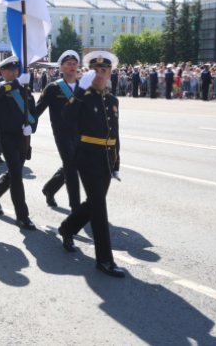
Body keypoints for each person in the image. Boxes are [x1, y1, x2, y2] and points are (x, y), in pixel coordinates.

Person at [58, 51, 125, 278]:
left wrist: (116, 161)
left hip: (106, 158)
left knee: (94, 202)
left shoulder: (112, 100)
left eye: (104, 71)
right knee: (99, 208)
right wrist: (78, 92)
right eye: (95, 71)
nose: (99, 75)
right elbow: (66, 119)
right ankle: (105, 260)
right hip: (86, 156)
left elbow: (115, 133)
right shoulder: (83, 96)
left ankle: (68, 228)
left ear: (109, 74)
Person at [0, 56, 38, 230]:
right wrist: (16, 84)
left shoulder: (25, 90)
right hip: (7, 137)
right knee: (16, 175)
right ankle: (22, 216)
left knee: (14, 172)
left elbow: (32, 110)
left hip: (23, 137)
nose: (14, 72)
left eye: (16, 69)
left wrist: (32, 126)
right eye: (10, 70)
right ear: (2, 72)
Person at [33, 50, 81, 211]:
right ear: (61, 67)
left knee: (73, 166)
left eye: (74, 64)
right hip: (62, 133)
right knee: (71, 166)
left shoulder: (83, 87)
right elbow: (38, 109)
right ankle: (76, 207)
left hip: (80, 133)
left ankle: (49, 189)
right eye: (68, 64)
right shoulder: (53, 88)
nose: (72, 67)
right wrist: (26, 125)